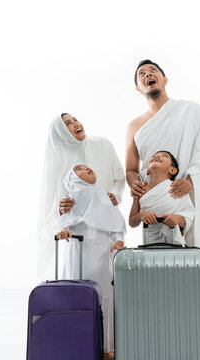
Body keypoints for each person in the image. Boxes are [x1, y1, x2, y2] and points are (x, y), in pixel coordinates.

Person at [126, 59, 200, 360]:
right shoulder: (135, 126)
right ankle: (167, 343)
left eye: (152, 71)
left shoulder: (190, 112)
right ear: (137, 87)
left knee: (198, 272)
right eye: (142, 74)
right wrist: (134, 184)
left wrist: (191, 179)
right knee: (161, 275)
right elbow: (132, 169)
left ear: (164, 79)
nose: (148, 75)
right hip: (154, 204)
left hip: (185, 199)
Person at [37, 113, 125, 281]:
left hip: (103, 226)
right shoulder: (58, 160)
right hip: (78, 235)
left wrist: (115, 195)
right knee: (77, 280)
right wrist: (61, 208)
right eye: (68, 124)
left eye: (75, 120)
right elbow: (58, 200)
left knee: (105, 281)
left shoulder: (103, 145)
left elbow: (119, 179)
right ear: (60, 133)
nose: (76, 124)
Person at [55, 164, 126, 358]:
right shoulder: (71, 200)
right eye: (79, 168)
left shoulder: (103, 199)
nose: (87, 168)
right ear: (73, 178)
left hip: (101, 256)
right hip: (77, 254)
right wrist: (62, 231)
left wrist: (118, 241)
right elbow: (61, 223)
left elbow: (116, 226)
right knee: (74, 296)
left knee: (103, 298)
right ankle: (76, 343)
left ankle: (105, 348)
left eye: (87, 166)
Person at [129, 151, 195, 245]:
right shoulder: (141, 190)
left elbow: (189, 213)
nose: (156, 157)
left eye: (164, 156)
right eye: (154, 156)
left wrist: (177, 218)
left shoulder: (177, 188)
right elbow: (132, 222)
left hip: (173, 243)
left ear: (172, 170)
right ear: (147, 171)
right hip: (150, 244)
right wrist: (141, 215)